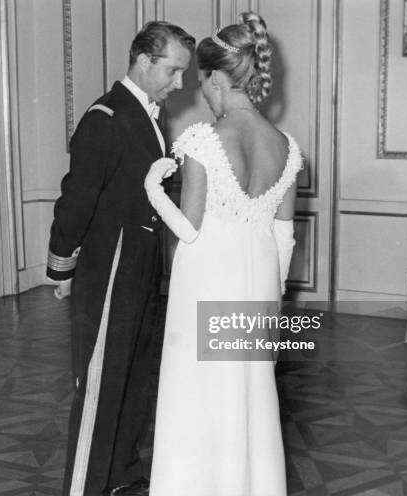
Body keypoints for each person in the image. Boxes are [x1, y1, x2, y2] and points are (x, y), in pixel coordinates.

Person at [144, 13, 302, 495]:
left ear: (217, 78)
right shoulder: (288, 148)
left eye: (202, 83)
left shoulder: (201, 142)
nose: (202, 95)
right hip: (258, 289)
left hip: (206, 285)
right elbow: (285, 239)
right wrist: (272, 312)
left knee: (197, 399)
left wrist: (154, 187)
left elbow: (188, 230)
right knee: (247, 401)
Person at [46, 22, 195, 496]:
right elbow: (75, 203)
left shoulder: (147, 115)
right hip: (108, 270)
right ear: (143, 60)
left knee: (132, 375)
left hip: (141, 267)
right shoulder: (105, 117)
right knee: (98, 384)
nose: (179, 84)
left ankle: (120, 477)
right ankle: (85, 487)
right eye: (173, 71)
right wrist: (60, 267)